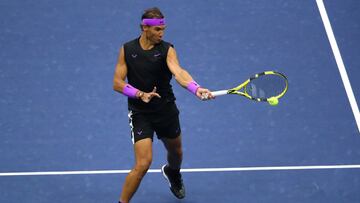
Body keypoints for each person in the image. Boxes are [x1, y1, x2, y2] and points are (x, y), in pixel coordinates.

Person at [113, 7, 214, 203]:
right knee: (143, 164)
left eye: (163, 29)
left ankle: (172, 172)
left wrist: (196, 88)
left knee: (176, 153)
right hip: (140, 113)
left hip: (165, 110)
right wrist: (139, 94)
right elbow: (117, 83)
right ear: (145, 28)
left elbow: (179, 73)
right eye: (158, 30)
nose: (162, 33)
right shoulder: (127, 49)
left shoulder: (167, 50)